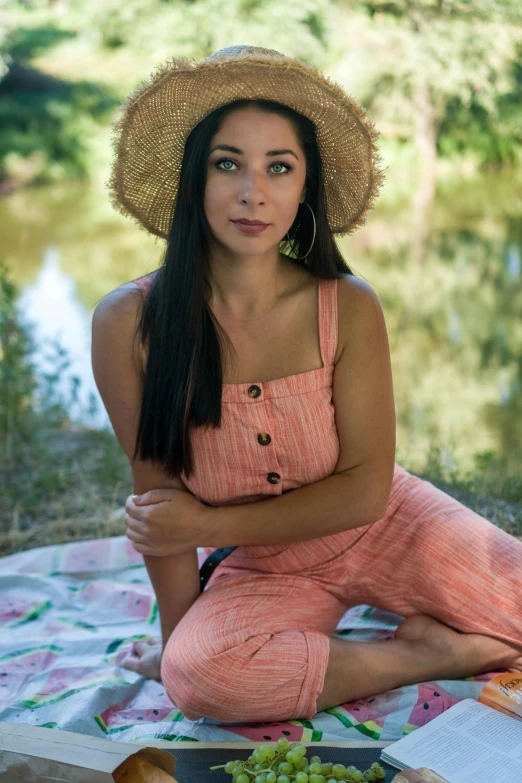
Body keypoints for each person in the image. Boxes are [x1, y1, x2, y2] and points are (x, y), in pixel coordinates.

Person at [91, 46, 522, 730]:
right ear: (192, 179)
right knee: (202, 677)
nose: (252, 192)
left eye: (279, 168)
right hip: (263, 569)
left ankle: (421, 614)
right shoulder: (128, 323)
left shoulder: (348, 304)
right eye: (226, 163)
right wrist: (178, 647)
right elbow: (163, 512)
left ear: (304, 188)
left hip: (387, 525)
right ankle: (424, 652)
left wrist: (210, 525)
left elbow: (364, 490)